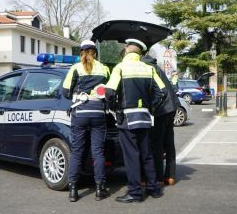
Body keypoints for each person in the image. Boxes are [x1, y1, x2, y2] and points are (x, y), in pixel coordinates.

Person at [105, 38, 167, 203]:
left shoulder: (120, 68)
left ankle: (135, 192)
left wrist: (113, 108)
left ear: (126, 50)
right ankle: (154, 189)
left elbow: (109, 92)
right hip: (145, 118)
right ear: (140, 53)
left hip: (127, 119)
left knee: (132, 156)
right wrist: (150, 107)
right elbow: (162, 93)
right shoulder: (149, 69)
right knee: (146, 154)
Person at [62, 40, 111, 202]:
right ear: (95, 53)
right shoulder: (104, 68)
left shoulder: (75, 68)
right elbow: (110, 92)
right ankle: (100, 189)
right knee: (97, 152)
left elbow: (65, 92)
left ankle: (73, 190)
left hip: (80, 114)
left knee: (77, 151)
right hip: (98, 114)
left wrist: (77, 95)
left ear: (81, 52)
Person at [141, 54, 179, 186]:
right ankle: (170, 176)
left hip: (162, 109)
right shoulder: (156, 67)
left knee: (156, 143)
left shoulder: (147, 68)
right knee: (169, 142)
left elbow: (156, 91)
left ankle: (157, 177)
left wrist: (151, 108)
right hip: (172, 107)